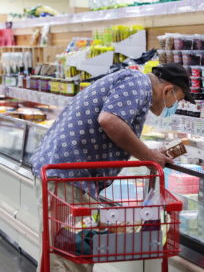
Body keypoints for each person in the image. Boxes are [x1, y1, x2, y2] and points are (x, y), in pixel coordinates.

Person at [31, 63, 193, 272]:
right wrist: (148, 155)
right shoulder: (137, 83)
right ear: (168, 90)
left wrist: (149, 151)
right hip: (68, 176)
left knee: (62, 254)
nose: (174, 106)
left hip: (69, 175)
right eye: (177, 100)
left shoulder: (133, 84)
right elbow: (109, 120)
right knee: (67, 259)